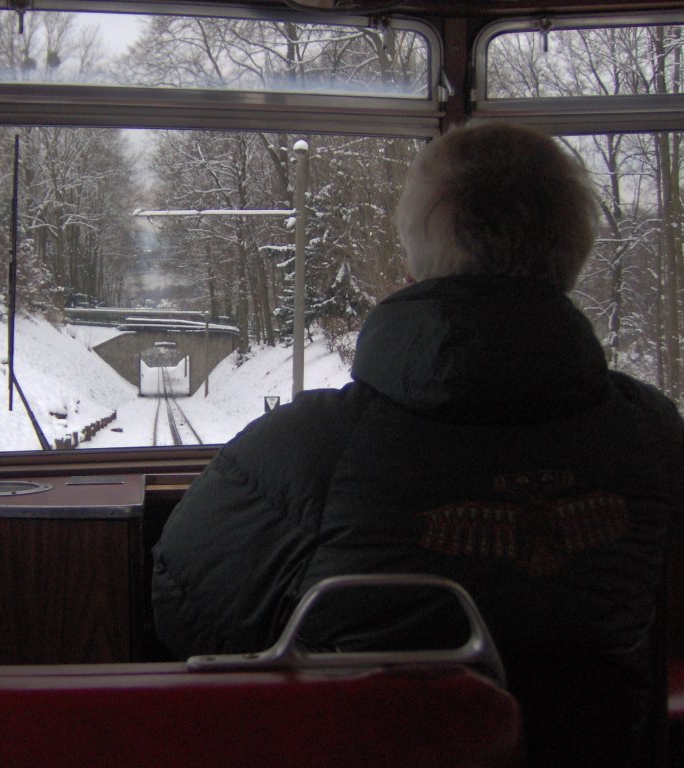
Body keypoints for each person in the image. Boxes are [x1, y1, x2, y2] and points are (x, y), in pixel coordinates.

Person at [151, 122, 684, 767]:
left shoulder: (305, 446)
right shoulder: (654, 433)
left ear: (414, 258)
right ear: (574, 256)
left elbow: (182, 607)